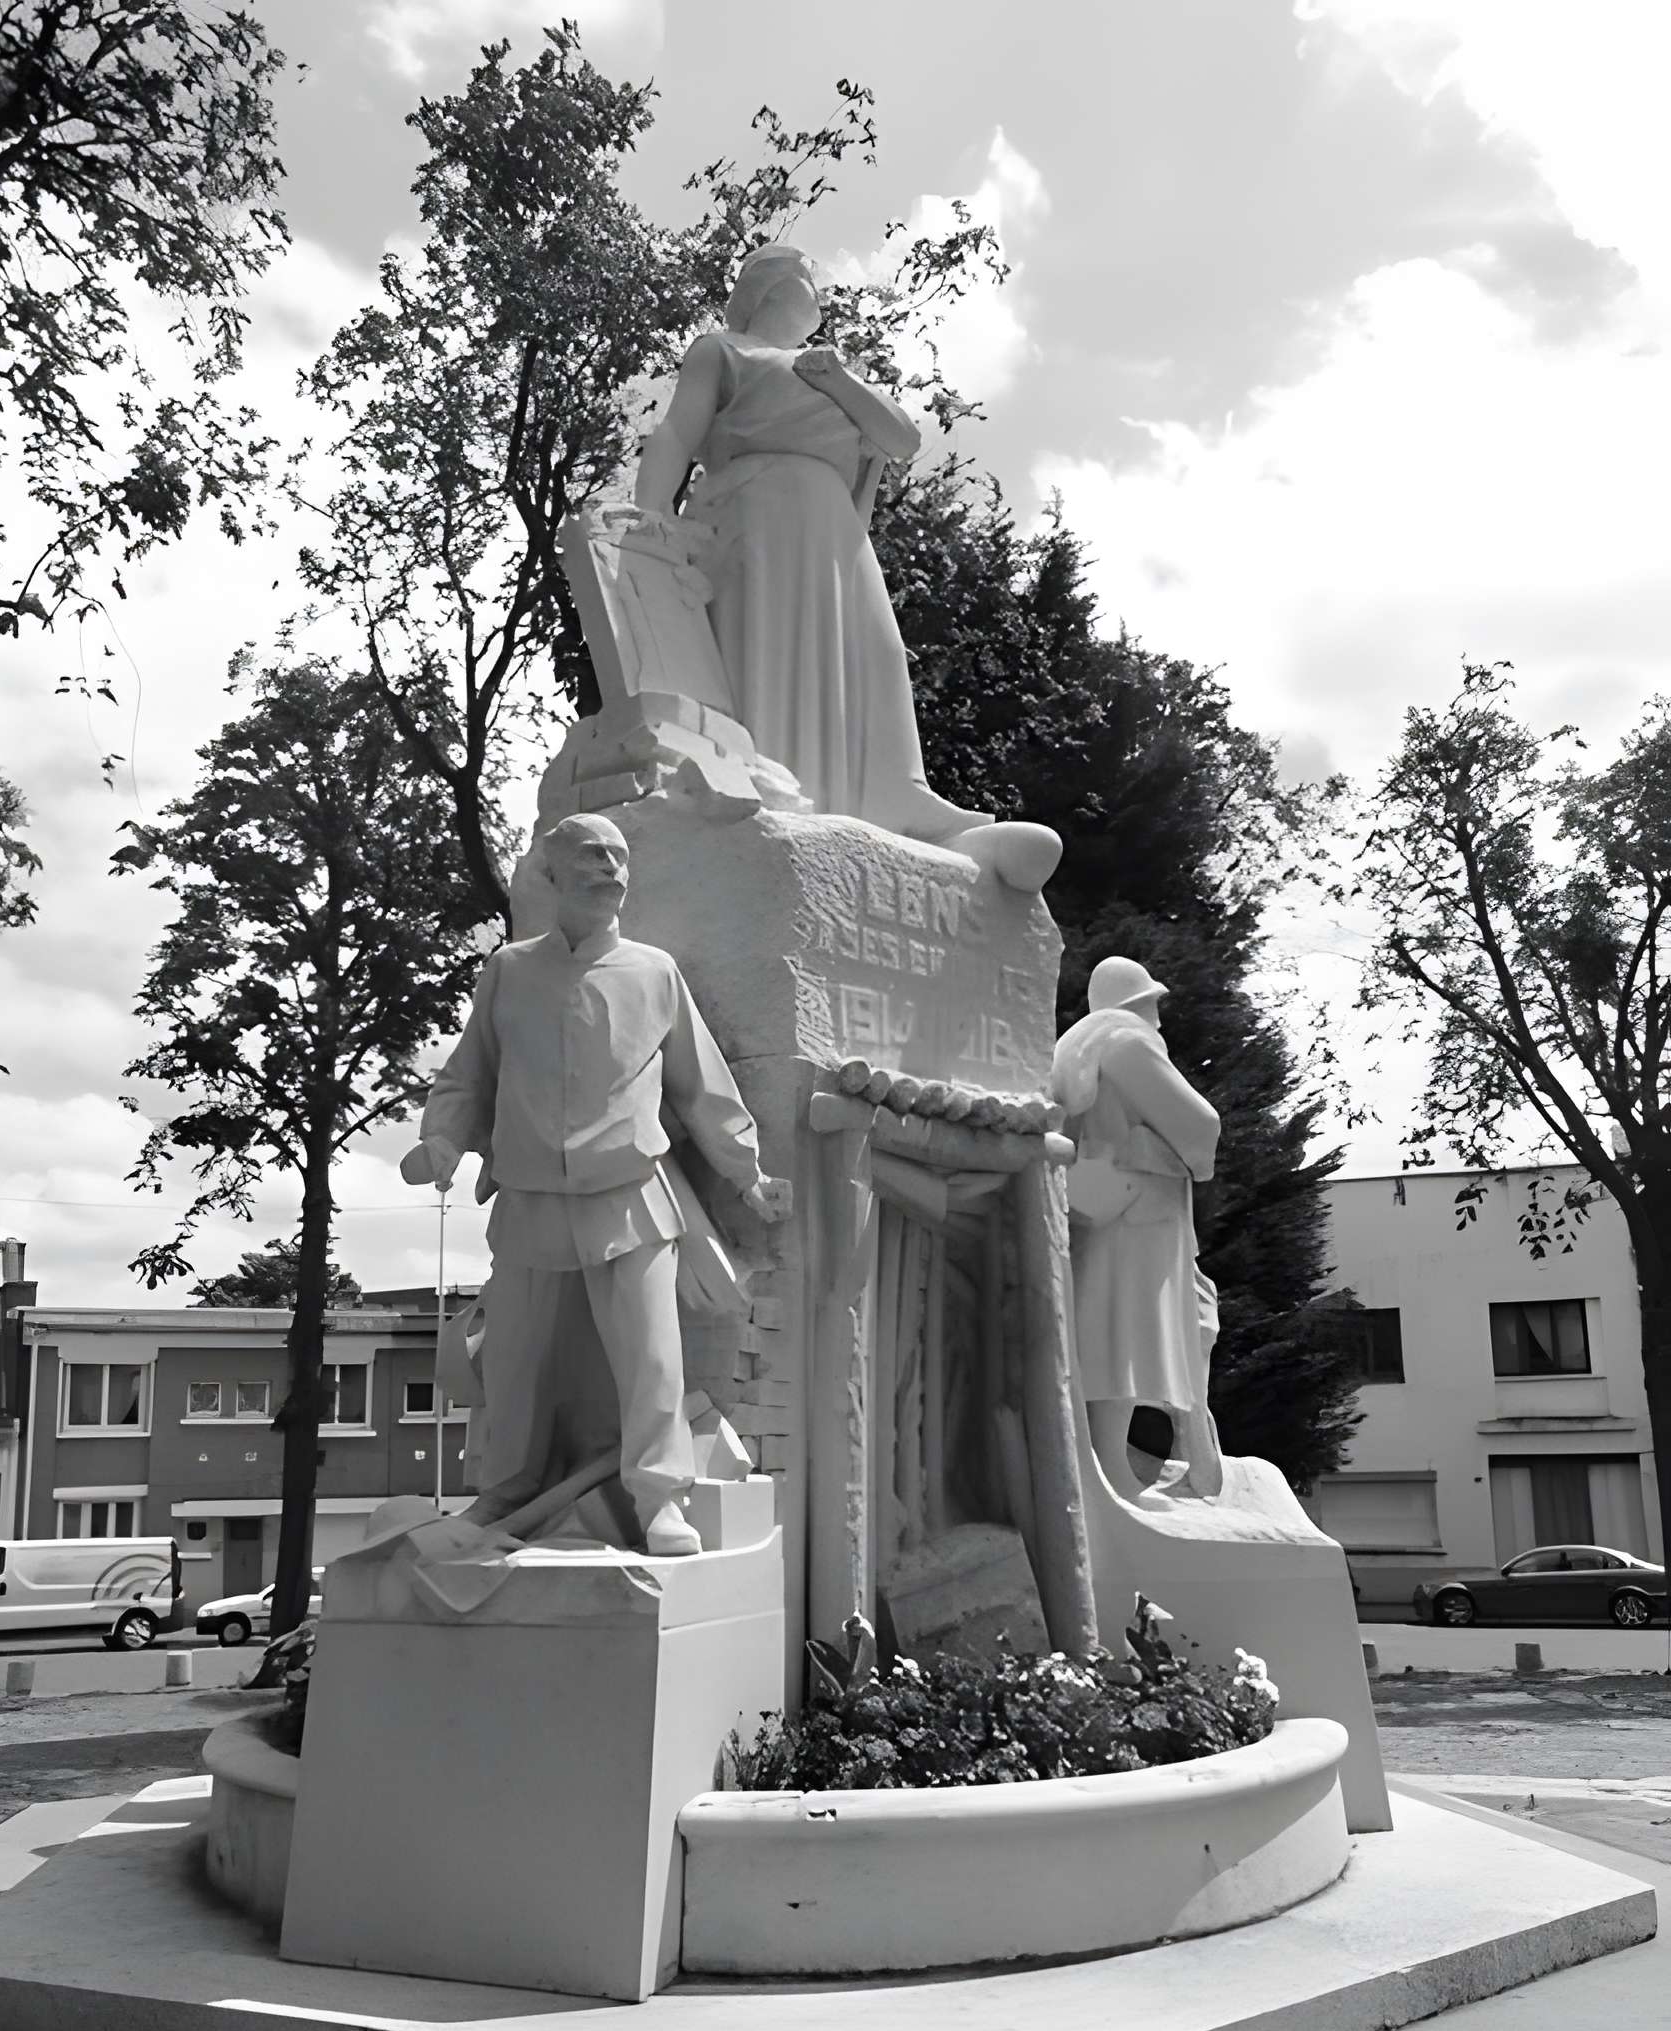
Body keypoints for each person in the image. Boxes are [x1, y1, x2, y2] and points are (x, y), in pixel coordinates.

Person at [632, 242, 1060, 894]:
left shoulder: (831, 374)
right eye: (803, 278)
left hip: (832, 528)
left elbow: (901, 438)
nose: (816, 289)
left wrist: (832, 376)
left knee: (877, 654)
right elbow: (674, 435)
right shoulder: (724, 351)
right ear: (769, 289)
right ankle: (775, 794)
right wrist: (650, 515)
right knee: (776, 651)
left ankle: (898, 794)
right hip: (757, 513)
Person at [413, 813, 784, 1557]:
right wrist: (442, 1138)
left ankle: (659, 1501)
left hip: (630, 1195)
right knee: (514, 1359)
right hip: (529, 1201)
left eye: (619, 856)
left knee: (651, 1357)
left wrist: (747, 1177)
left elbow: (702, 1089)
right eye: (591, 855)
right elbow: (468, 1074)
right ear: (552, 874)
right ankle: (502, 1493)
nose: (611, 868)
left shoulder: (654, 972)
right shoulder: (509, 972)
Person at [1050, 956, 1225, 1501]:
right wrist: (1195, 1153)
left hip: (1103, 1205)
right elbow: (1199, 1123)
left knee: (1111, 1329)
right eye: (1153, 1005)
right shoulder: (1128, 1043)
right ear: (1135, 1005)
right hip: (1141, 1205)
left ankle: (1110, 1464)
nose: (1160, 1019)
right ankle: (1111, 1469)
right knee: (1127, 1334)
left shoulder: (1079, 1047)